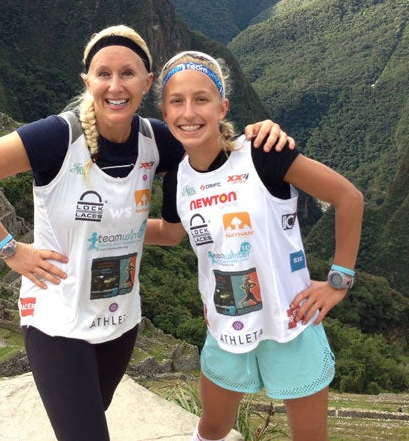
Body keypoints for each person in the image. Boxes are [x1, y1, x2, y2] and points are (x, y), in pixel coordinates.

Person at [0, 25, 293, 441]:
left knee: (87, 422)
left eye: (127, 74)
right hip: (57, 320)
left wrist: (261, 134)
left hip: (121, 323)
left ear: (146, 83)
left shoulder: (156, 140)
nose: (115, 85)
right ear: (86, 80)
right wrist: (9, 248)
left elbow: (217, 155)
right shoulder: (58, 137)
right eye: (103, 74)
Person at [145, 51, 364, 441]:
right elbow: (172, 233)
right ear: (164, 112)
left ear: (222, 106)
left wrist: (338, 280)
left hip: (291, 321)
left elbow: (348, 198)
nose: (189, 112)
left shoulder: (263, 153)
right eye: (177, 101)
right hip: (226, 324)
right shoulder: (177, 179)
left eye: (201, 99)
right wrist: (109, 228)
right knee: (213, 427)